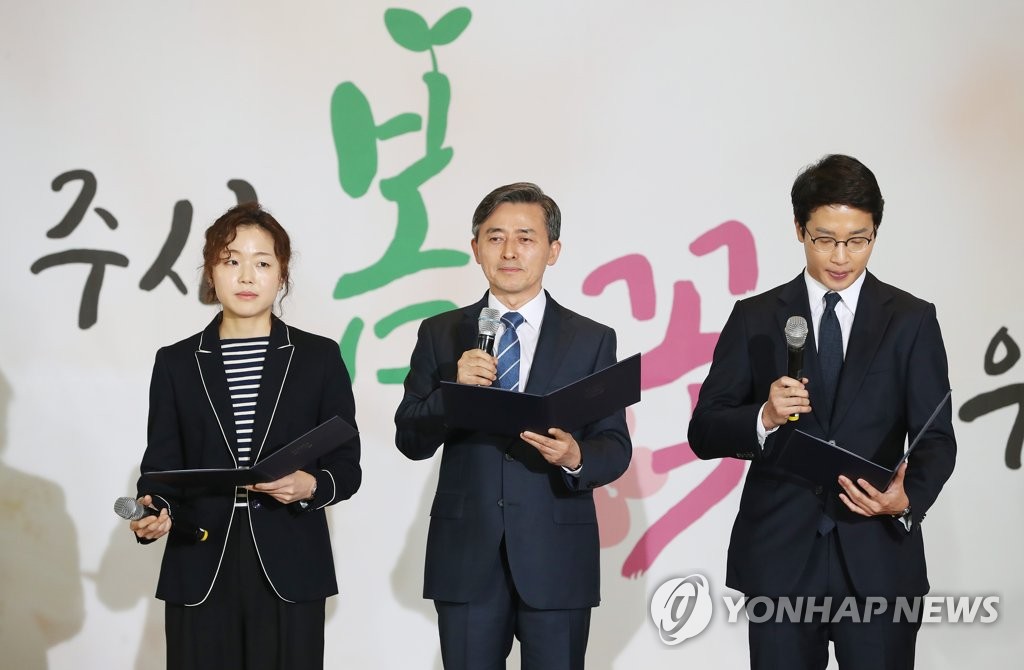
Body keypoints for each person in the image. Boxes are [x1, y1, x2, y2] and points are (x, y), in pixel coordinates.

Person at [688, 154, 956, 669]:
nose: (840, 256)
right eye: (825, 239)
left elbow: (936, 438)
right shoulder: (755, 317)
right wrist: (763, 417)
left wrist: (905, 499)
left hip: (877, 556)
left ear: (875, 233)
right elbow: (704, 430)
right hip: (780, 558)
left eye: (858, 240)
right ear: (799, 229)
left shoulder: (912, 320)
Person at [395, 182, 632, 670]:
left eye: (525, 237)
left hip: (557, 555)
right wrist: (450, 393)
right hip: (466, 555)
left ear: (553, 250)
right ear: (476, 248)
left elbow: (614, 445)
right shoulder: (440, 332)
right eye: (495, 237)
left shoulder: (592, 339)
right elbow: (410, 437)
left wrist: (576, 457)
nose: (509, 251)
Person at [130, 202, 361, 670]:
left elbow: (346, 466)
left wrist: (310, 485)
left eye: (262, 263)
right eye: (231, 261)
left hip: (290, 559)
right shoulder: (176, 362)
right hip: (200, 560)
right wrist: (153, 510)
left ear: (282, 274)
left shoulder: (318, 357)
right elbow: (161, 469)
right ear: (210, 272)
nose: (246, 276)